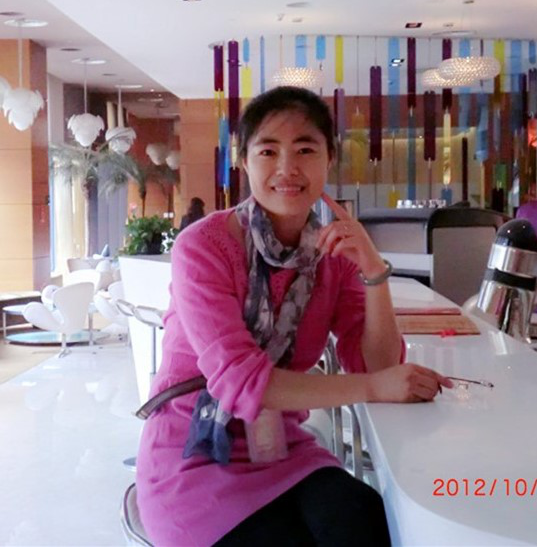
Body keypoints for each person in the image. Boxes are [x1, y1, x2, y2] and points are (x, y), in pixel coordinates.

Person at [136, 86, 453, 546]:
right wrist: (372, 387)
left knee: (369, 524)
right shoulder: (203, 246)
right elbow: (241, 380)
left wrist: (374, 271)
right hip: (193, 452)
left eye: (305, 149)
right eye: (268, 151)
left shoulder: (333, 254)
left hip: (282, 450)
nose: (287, 168)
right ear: (244, 163)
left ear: (329, 160)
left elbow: (379, 365)